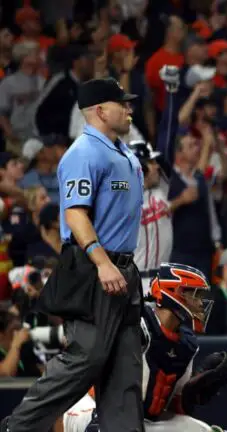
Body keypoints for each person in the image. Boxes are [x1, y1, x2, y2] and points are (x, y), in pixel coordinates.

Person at [1, 77, 144, 432]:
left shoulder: (122, 151)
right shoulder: (83, 152)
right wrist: (101, 261)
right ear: (99, 110)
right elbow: (75, 213)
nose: (129, 109)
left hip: (122, 267)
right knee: (86, 357)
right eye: (121, 104)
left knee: (125, 365)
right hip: (94, 266)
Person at [61, 262, 227, 432]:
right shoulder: (135, 324)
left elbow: (173, 409)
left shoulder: (187, 345)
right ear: (175, 293)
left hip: (139, 420)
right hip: (91, 408)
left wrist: (192, 394)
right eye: (195, 295)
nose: (201, 303)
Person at [129, 140, 173, 294]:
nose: (157, 167)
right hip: (137, 281)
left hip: (163, 279)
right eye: (151, 162)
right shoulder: (123, 199)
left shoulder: (161, 188)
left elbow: (167, 137)